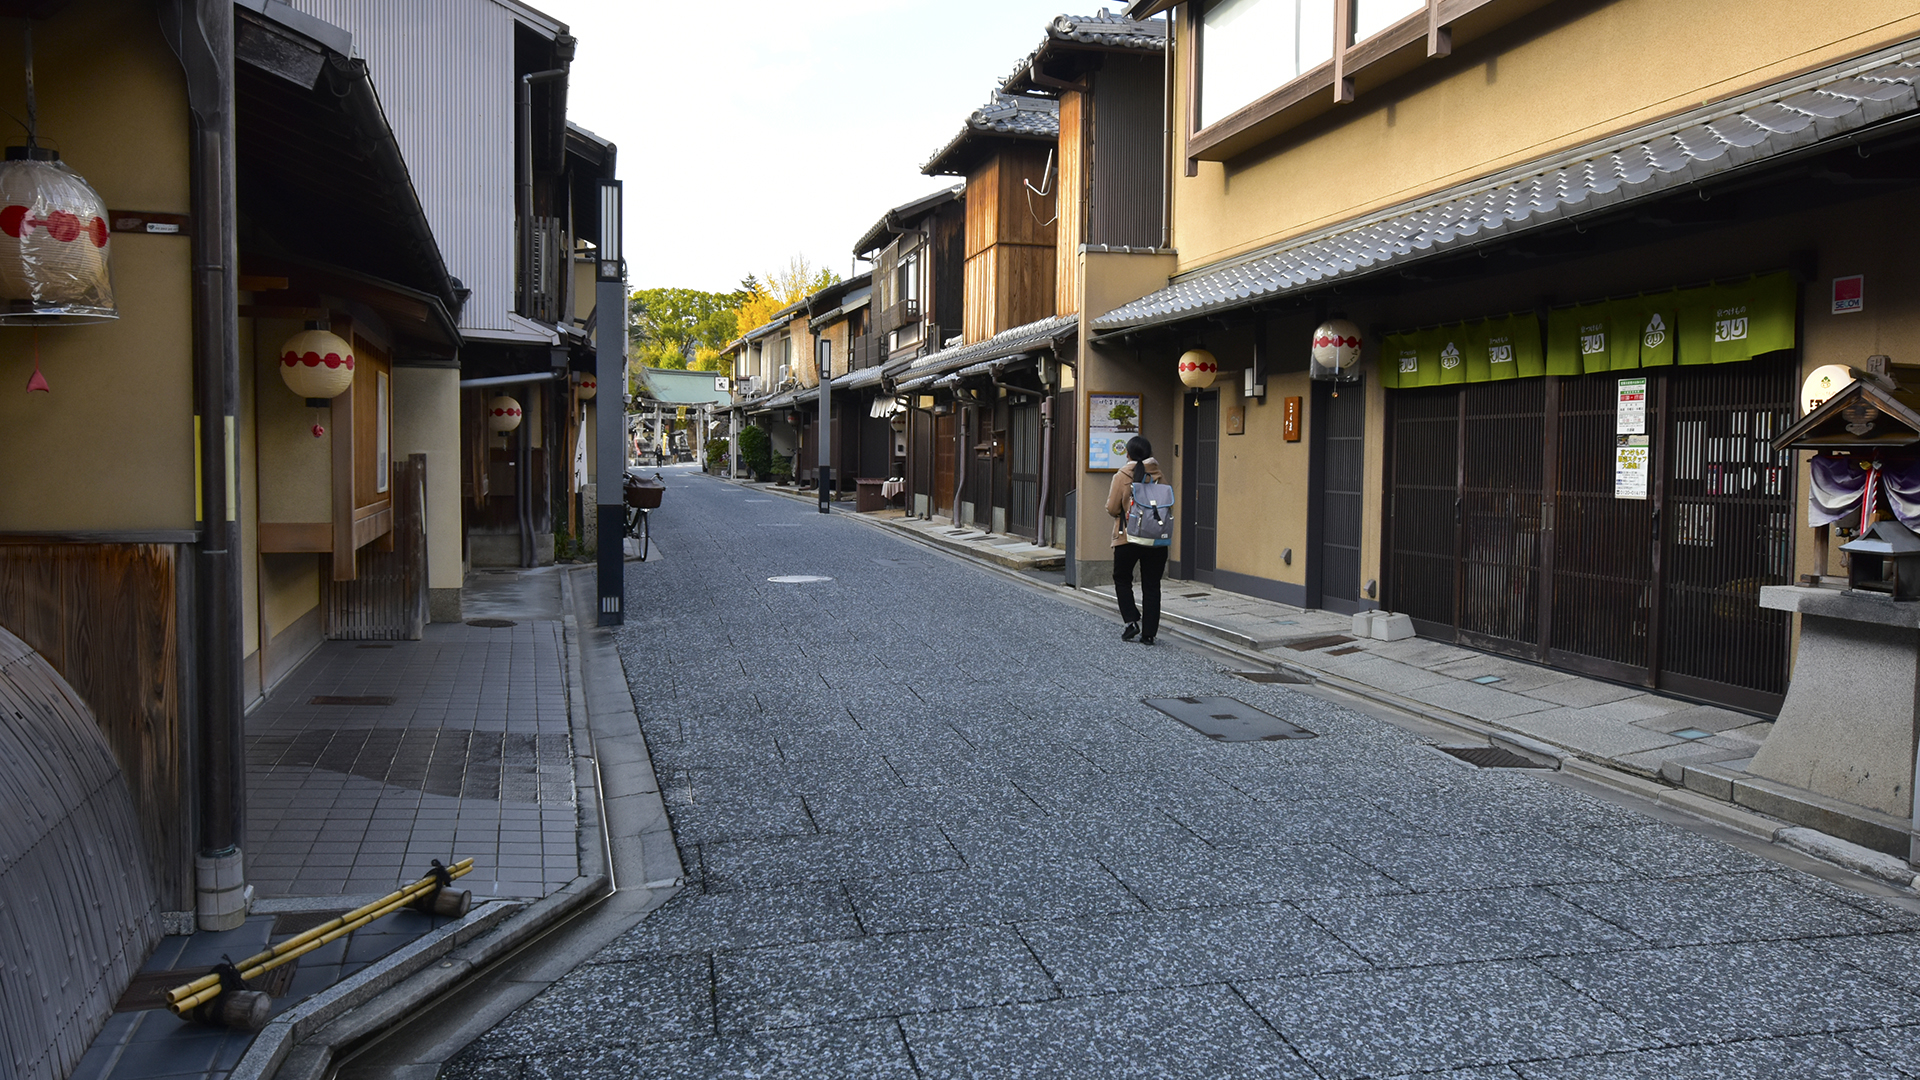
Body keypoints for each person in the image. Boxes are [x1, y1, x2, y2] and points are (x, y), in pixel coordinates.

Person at [1106, 435, 1169, 645]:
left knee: (1122, 579)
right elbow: (1167, 505)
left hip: (1127, 538)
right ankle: (1149, 634)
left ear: (1128, 454)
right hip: (1155, 540)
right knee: (1152, 585)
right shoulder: (1159, 475)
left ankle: (1131, 621)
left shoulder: (1122, 475)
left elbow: (1113, 508)